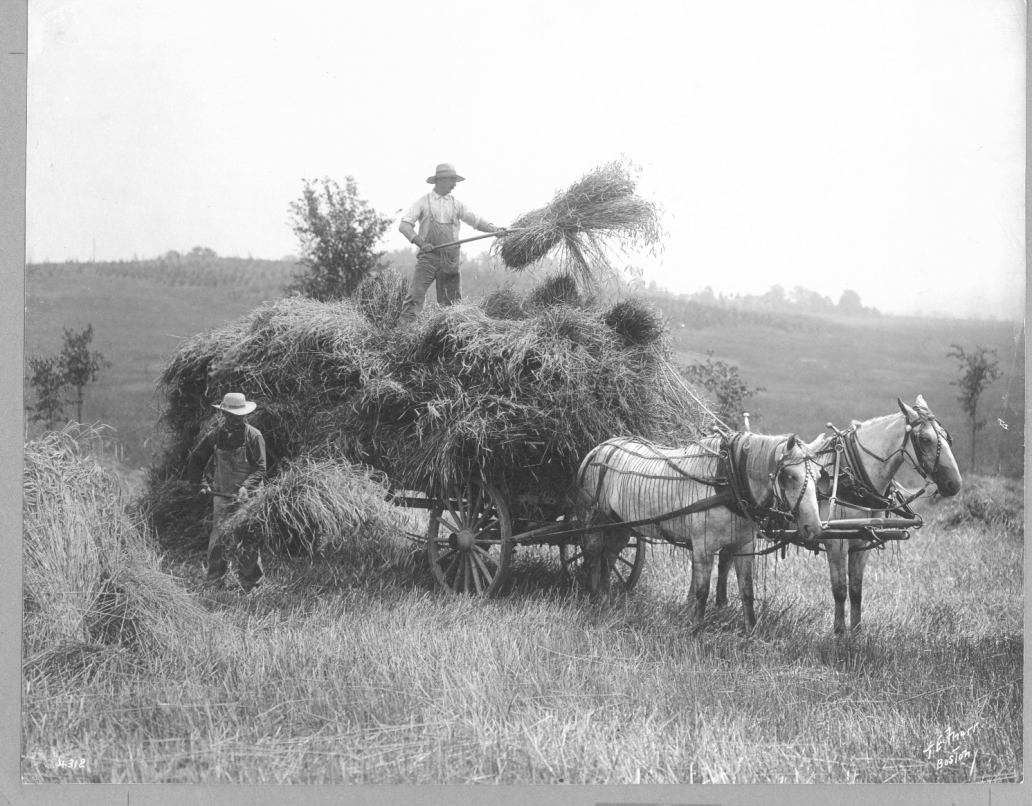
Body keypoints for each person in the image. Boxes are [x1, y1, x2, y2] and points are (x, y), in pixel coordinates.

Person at [396, 163, 506, 327]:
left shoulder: (456, 204)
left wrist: (494, 229)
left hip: (451, 260)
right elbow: (404, 225)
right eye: (452, 180)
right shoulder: (423, 202)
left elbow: (475, 220)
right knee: (414, 298)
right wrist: (422, 243)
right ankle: (403, 335)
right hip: (428, 259)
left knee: (452, 307)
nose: (454, 184)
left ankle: (449, 342)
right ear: (440, 180)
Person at [188, 392, 267, 591]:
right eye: (232, 416)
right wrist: (202, 484)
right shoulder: (215, 436)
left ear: (245, 416)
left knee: (247, 539)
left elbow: (260, 467)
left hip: (248, 497)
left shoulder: (253, 436)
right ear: (224, 415)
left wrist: (245, 487)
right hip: (222, 496)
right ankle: (215, 581)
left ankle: (251, 584)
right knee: (218, 539)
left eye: (240, 416)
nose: (236, 420)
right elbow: (196, 459)